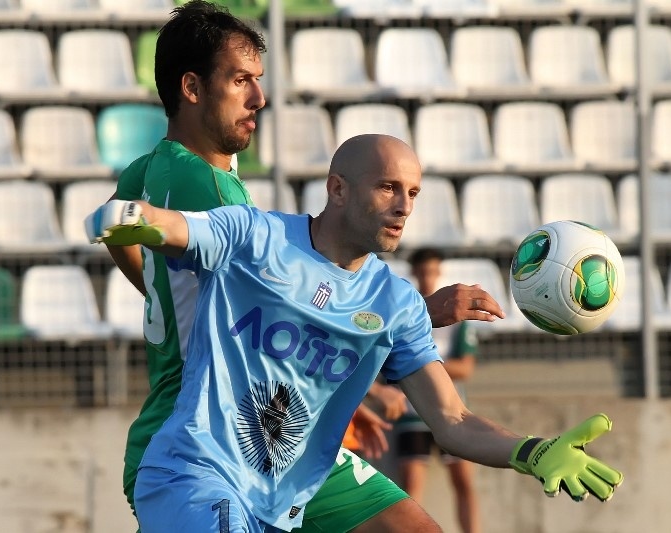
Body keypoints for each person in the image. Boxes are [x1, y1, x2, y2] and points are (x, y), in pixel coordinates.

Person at [87, 133, 624, 533]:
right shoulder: (253, 236)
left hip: (296, 479)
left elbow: (453, 420)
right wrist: (129, 218)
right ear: (337, 189)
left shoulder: (396, 304)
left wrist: (529, 451)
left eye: (413, 192)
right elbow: (174, 226)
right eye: (389, 187)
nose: (403, 206)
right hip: (196, 469)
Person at [106, 3, 501, 532]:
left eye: (259, 80)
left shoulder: (157, 164)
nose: (259, 98)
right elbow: (297, 300)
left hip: (269, 422)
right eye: (241, 80)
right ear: (193, 88)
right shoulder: (213, 190)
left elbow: (117, 226)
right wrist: (423, 312)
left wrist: (162, 294)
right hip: (210, 431)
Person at [396, 247, 480, 533]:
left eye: (432, 272)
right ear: (414, 274)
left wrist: (419, 366)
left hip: (452, 411)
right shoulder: (405, 314)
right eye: (422, 272)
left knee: (464, 482)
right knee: (410, 488)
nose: (427, 278)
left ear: (440, 273)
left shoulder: (456, 318)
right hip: (411, 412)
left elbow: (465, 368)